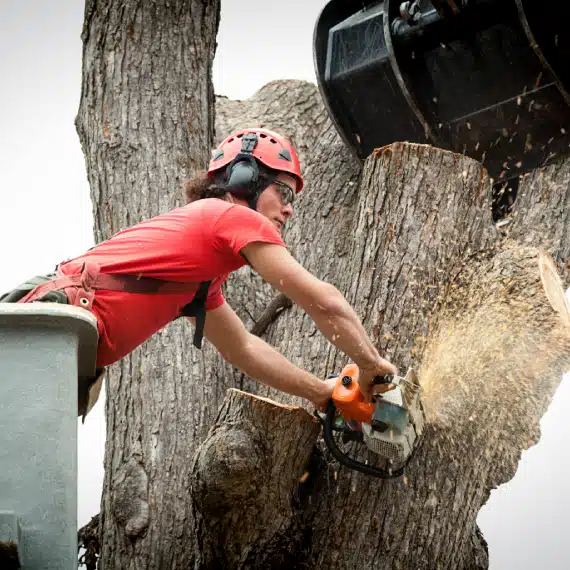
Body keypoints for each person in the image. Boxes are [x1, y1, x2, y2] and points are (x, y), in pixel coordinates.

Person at [1, 128, 396, 418]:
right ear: (246, 180)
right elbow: (320, 299)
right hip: (49, 322)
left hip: (58, 343)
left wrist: (320, 392)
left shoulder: (199, 281)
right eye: (284, 193)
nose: (289, 209)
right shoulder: (230, 216)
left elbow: (243, 348)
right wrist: (372, 366)